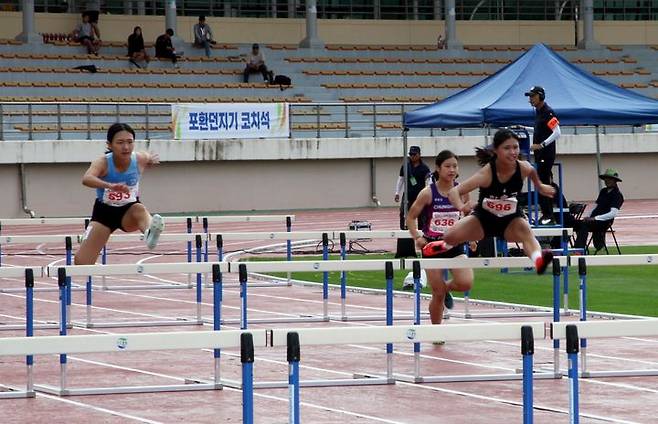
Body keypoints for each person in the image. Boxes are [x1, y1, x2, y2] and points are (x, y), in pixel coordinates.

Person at [429, 129, 555, 275]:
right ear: (496, 150)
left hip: (511, 220)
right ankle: (444, 245)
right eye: (507, 148)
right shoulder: (486, 174)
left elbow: (532, 172)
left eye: (515, 147)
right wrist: (462, 206)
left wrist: (540, 186)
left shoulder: (524, 168)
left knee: (526, 230)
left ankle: (539, 261)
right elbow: (454, 192)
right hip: (484, 220)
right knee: (449, 235)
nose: (513, 152)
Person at [74, 123, 165, 266]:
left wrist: (151, 160)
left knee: (139, 209)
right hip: (104, 214)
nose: (126, 147)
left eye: (130, 142)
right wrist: (109, 185)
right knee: (81, 263)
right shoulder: (102, 162)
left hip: (129, 211)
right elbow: (86, 179)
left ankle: (149, 232)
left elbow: (148, 157)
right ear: (109, 145)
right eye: (120, 143)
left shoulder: (139, 159)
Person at [406, 150, 474, 330]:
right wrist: (417, 237)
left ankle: (446, 289)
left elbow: (468, 216)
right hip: (432, 246)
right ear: (438, 168)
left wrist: (472, 237)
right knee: (437, 294)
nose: (452, 170)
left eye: (455, 166)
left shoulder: (463, 191)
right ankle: (437, 332)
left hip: (455, 244)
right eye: (447, 166)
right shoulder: (428, 193)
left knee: (466, 282)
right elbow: (411, 217)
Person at [524, 86, 561, 225]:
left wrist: (542, 145)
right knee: (540, 183)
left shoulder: (548, 112)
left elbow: (557, 132)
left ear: (541, 96)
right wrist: (523, 128)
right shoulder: (539, 113)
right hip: (540, 155)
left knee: (543, 183)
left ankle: (548, 214)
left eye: (533, 96)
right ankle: (546, 214)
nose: (530, 99)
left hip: (546, 154)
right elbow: (540, 129)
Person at [573, 168, 624, 253]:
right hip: (593, 220)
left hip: (605, 222)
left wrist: (596, 218)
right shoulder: (603, 191)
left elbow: (613, 213)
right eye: (606, 178)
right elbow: (595, 206)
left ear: (615, 181)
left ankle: (579, 250)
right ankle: (577, 248)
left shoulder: (617, 195)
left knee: (584, 225)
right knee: (576, 223)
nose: (607, 181)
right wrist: (588, 216)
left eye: (609, 179)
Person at [394, 145, 431, 230]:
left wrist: (429, 194)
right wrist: (397, 193)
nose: (412, 156)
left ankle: (422, 232)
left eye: (414, 154)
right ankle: (403, 230)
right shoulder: (405, 166)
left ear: (419, 155)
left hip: (420, 196)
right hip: (407, 194)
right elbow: (401, 180)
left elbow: (429, 181)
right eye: (411, 154)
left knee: (422, 215)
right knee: (403, 213)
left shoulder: (424, 168)